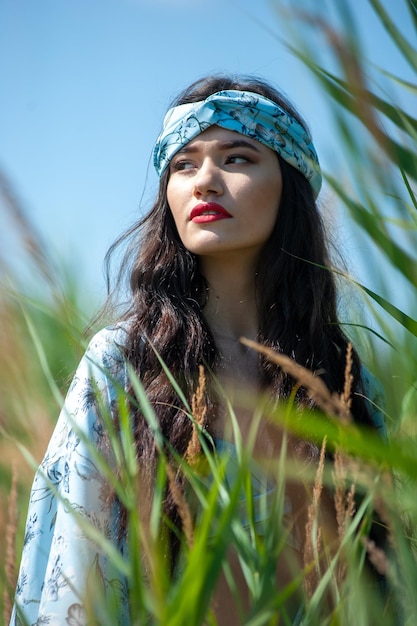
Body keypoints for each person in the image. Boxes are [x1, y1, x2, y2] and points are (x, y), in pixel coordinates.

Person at [11, 74, 390, 626]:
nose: (205, 181)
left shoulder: (341, 376)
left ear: (290, 184)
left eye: (237, 157)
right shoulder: (124, 364)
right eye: (183, 164)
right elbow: (72, 574)